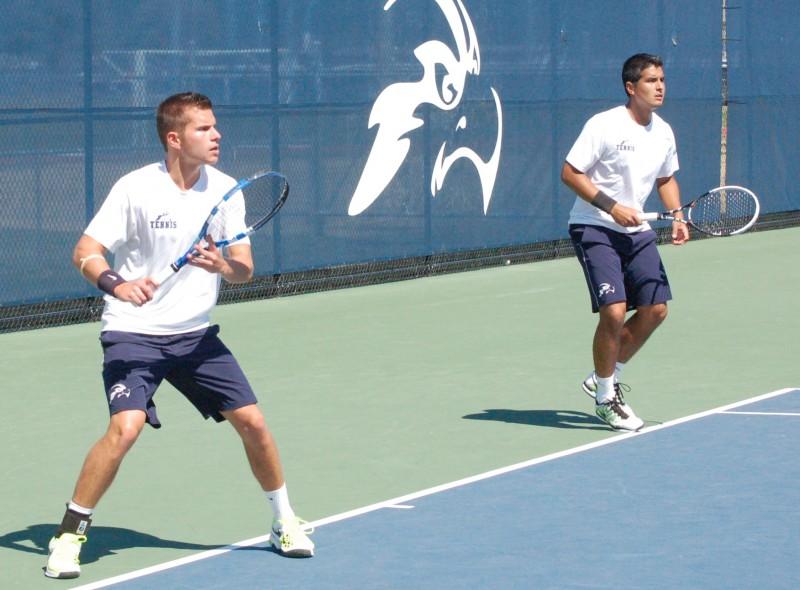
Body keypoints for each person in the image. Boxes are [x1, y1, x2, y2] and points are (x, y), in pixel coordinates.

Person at [44, 92, 314, 580]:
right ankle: (68, 534)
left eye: (215, 127)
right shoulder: (135, 188)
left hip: (195, 337)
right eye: (204, 129)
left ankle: (284, 520)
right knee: (124, 429)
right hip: (134, 333)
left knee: (253, 422)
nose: (217, 136)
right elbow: (85, 250)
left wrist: (223, 264)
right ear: (175, 138)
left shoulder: (227, 190)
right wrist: (118, 284)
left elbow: (244, 272)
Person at [561, 53, 690, 432]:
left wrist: (678, 217)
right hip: (594, 226)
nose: (660, 87)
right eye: (651, 81)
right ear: (631, 88)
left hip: (637, 232)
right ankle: (605, 398)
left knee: (656, 310)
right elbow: (571, 173)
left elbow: (666, 179)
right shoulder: (604, 125)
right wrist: (612, 207)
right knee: (614, 311)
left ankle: (605, 373)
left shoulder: (664, 131)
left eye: (662, 79)